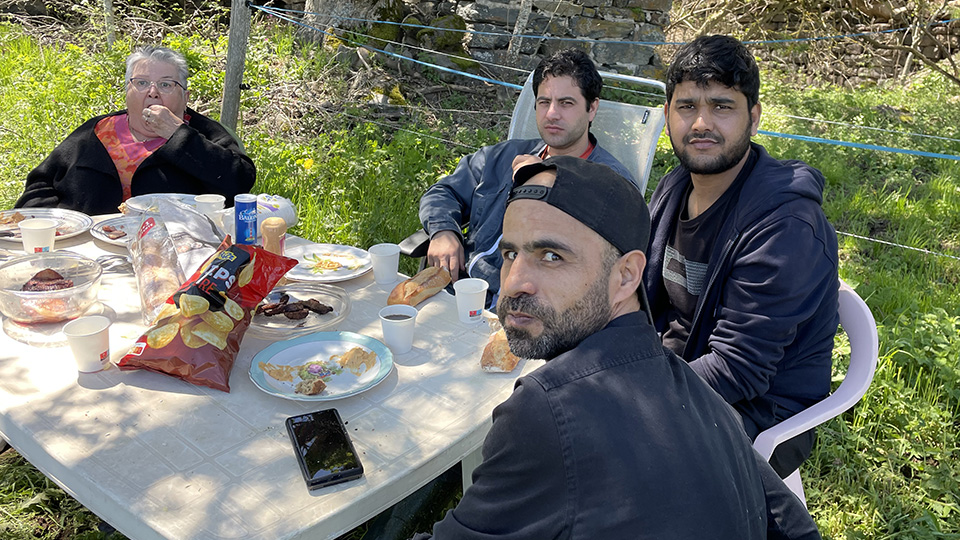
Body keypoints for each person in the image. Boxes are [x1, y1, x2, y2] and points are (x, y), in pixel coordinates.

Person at [411, 156, 821, 540]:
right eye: (510, 253)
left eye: (551, 256)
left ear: (626, 276)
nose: (515, 282)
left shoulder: (544, 411)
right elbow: (795, 527)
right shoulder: (698, 393)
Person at [643, 35, 840, 478]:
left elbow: (739, 369)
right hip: (675, 368)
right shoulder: (676, 187)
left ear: (753, 117)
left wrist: (633, 391)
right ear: (668, 113)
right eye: (687, 106)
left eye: (722, 106)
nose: (701, 123)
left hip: (757, 410)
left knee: (609, 457)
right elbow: (640, 297)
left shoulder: (786, 227)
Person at [417, 48, 635, 308]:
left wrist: (549, 179)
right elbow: (443, 192)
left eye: (566, 103)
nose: (552, 113)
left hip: (532, 309)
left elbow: (600, 264)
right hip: (459, 289)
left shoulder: (611, 183)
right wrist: (444, 231)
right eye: (544, 102)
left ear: (592, 108)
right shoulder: (503, 156)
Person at [15, 46, 255, 214]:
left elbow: (239, 182)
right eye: (141, 83)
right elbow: (40, 185)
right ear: (127, 92)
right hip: (88, 249)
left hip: (175, 252)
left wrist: (177, 134)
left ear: (185, 97)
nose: (153, 92)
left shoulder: (205, 133)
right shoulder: (98, 131)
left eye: (166, 84)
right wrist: (51, 227)